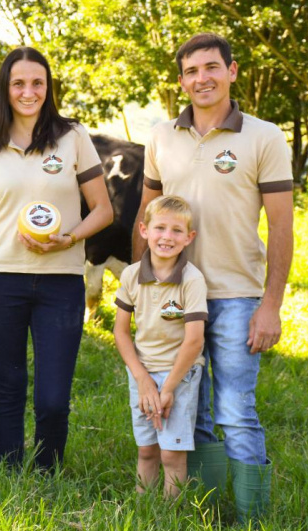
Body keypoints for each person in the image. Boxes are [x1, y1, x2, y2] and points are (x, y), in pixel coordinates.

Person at [132, 33, 293, 521]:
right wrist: (139, 284)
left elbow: (282, 226)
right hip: (175, 297)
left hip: (237, 296)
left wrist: (271, 304)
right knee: (188, 410)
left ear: (232, 71)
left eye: (211, 68)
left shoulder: (264, 136)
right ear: (181, 81)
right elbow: (147, 212)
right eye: (191, 71)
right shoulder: (161, 136)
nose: (201, 78)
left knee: (236, 412)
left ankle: (251, 516)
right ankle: (200, 508)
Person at [0, 46, 113, 472]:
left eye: (38, 82)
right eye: (19, 82)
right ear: (5, 88)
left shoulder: (72, 137)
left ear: (48, 87)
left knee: (54, 396)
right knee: (9, 384)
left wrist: (68, 238)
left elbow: (104, 210)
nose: (29, 91)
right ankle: (9, 471)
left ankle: (47, 472)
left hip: (61, 281)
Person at [114, 195, 207, 498]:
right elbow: (121, 332)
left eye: (177, 231)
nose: (167, 237)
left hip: (179, 375)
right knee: (146, 451)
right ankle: (144, 512)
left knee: (171, 454)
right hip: (141, 372)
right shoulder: (130, 275)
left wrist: (167, 388)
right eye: (160, 228)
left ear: (189, 237)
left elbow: (194, 340)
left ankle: (172, 516)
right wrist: (142, 379)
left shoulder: (192, 280)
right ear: (144, 230)